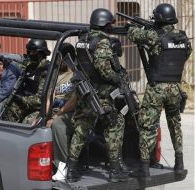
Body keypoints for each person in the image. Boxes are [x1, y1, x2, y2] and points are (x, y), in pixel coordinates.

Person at [127, 3, 192, 179]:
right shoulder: (183, 38)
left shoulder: (155, 36)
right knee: (175, 125)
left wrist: (133, 26)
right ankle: (179, 164)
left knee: (148, 127)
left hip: (156, 88)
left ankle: (144, 168)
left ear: (160, 19)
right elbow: (185, 54)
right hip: (175, 87)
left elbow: (133, 34)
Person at [66, 8, 129, 183]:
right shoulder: (102, 42)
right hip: (101, 94)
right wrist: (118, 79)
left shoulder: (82, 40)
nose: (111, 27)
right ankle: (115, 170)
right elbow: (104, 70)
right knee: (115, 124)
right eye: (110, 24)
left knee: (81, 130)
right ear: (104, 23)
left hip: (86, 92)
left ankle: (70, 170)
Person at [45, 43, 77, 181]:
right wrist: (44, 116)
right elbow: (49, 96)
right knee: (31, 123)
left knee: (58, 125)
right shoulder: (55, 72)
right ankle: (44, 165)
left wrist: (56, 115)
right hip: (57, 111)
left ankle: (62, 167)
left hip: (73, 112)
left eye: (60, 59)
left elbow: (75, 100)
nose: (57, 62)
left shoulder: (77, 72)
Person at [1, 39, 50, 123]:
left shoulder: (46, 71)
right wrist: (5, 60)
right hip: (26, 103)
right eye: (29, 52)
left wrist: (22, 99)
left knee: (27, 121)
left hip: (38, 107)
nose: (30, 54)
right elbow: (19, 63)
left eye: (33, 52)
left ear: (41, 53)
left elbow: (40, 99)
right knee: (7, 107)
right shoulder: (30, 66)